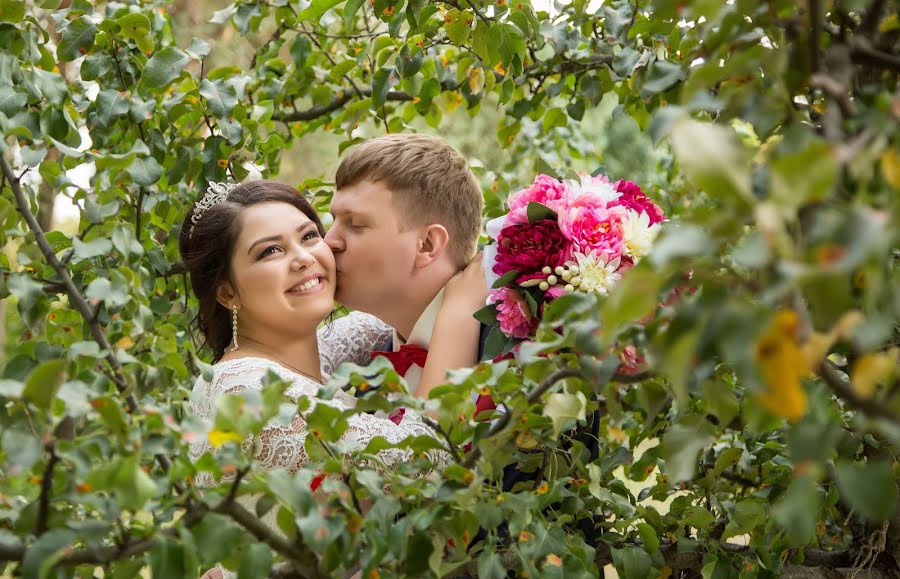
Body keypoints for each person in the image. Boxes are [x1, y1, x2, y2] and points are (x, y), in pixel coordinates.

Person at [180, 180, 483, 578]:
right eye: (270, 251)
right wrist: (460, 312)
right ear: (227, 292)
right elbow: (423, 465)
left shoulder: (304, 353)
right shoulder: (248, 387)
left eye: (309, 235)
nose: (304, 257)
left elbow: (388, 308)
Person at [324, 134, 488, 396]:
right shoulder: (368, 373)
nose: (328, 241)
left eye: (355, 224)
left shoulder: (517, 348)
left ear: (427, 245)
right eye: (332, 220)